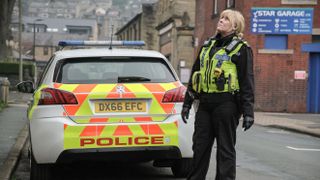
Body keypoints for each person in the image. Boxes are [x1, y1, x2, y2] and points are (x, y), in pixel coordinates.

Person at [181, 9, 254, 180]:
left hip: (227, 105)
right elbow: (195, 75)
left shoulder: (241, 49)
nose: (220, 20)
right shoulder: (207, 46)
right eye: (220, 17)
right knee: (199, 149)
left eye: (226, 19)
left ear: (235, 25)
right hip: (205, 105)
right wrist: (187, 103)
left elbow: (247, 81)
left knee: (225, 151)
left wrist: (248, 111)